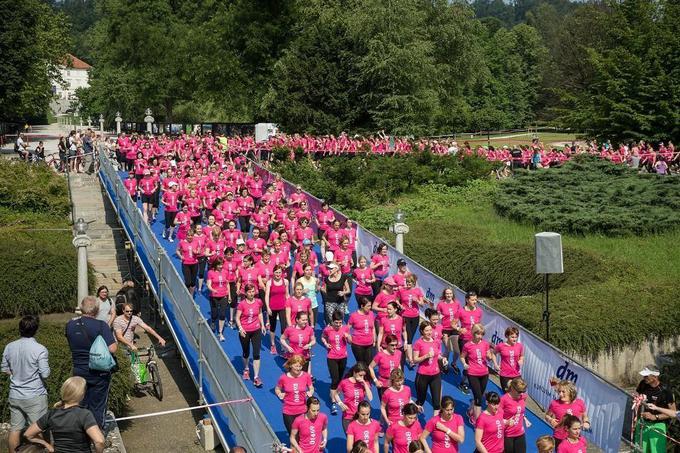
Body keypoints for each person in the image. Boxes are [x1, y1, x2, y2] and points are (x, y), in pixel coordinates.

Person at [65, 296, 117, 429]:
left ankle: (81, 432)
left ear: (81, 308)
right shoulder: (101, 325)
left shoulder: (70, 325)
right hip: (98, 372)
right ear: (97, 309)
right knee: (98, 405)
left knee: (81, 403)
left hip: (78, 370)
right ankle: (96, 435)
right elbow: (112, 348)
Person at [1, 315, 50, 453]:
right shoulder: (40, 349)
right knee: (38, 429)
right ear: (36, 329)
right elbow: (45, 374)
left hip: (15, 394)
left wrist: (17, 375)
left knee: (15, 429)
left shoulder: (9, 346)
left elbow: (5, 368)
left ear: (20, 329)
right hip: (34, 395)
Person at [24, 376, 106, 453]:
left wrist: (47, 445)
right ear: (81, 394)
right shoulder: (84, 414)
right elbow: (99, 441)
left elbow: (28, 434)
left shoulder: (52, 414)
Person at [633, 364, 676, 453]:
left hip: (658, 425)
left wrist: (654, 417)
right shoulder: (643, 384)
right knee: (639, 450)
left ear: (655, 376)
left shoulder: (665, 391)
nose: (644, 377)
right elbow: (637, 398)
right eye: (643, 375)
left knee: (656, 451)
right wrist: (636, 418)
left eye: (646, 376)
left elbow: (673, 412)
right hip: (642, 423)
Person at [461, 323, 495, 423]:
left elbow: (489, 356)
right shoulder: (467, 345)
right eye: (478, 334)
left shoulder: (485, 344)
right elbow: (462, 356)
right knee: (479, 400)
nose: (480, 336)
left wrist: (490, 356)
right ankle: (477, 421)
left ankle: (470, 410)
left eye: (481, 334)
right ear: (473, 333)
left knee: (480, 396)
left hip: (484, 373)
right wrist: (464, 364)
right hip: (473, 374)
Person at [235, 284, 266, 387]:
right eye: (249, 292)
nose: (252, 294)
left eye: (253, 291)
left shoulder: (258, 302)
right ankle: (247, 368)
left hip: (256, 330)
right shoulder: (242, 304)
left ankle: (256, 377)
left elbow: (260, 313)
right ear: (246, 293)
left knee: (256, 353)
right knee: (246, 352)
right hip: (245, 331)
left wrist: (262, 325)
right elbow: (237, 318)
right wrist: (240, 328)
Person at [275, 354, 314, 435]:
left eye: (300, 366)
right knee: (293, 436)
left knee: (303, 434)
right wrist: (279, 394)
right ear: (291, 365)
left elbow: (311, 388)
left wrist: (310, 392)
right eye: (296, 366)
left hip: (302, 411)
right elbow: (277, 389)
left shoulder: (306, 376)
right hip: (289, 412)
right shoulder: (283, 378)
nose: (298, 368)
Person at [545, 380, 590, 449]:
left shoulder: (579, 403)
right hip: (559, 438)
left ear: (571, 392)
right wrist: (550, 419)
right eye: (559, 391)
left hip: (575, 437)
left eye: (563, 392)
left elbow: (585, 416)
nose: (560, 394)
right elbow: (547, 415)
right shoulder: (554, 403)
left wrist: (586, 422)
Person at [413, 321, 445, 416]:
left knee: (436, 404)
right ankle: (413, 420)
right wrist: (426, 356)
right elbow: (415, 360)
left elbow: (438, 354)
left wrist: (443, 359)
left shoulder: (436, 341)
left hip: (435, 375)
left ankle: (434, 426)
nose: (429, 332)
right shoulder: (418, 343)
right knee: (420, 401)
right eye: (426, 330)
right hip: (422, 375)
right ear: (422, 331)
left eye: (430, 330)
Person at [321, 310, 350, 415]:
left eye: (340, 322)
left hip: (343, 357)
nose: (338, 325)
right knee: (335, 379)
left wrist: (348, 337)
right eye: (336, 323)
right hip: (332, 357)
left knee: (339, 379)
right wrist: (326, 343)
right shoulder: (328, 330)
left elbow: (350, 342)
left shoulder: (345, 328)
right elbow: (323, 337)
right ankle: (334, 402)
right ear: (332, 321)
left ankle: (334, 393)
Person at [337, 362, 373, 433]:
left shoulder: (365, 383)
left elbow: (370, 398)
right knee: (351, 441)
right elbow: (335, 394)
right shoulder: (344, 382)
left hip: (361, 417)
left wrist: (364, 383)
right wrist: (340, 403)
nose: (362, 377)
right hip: (348, 417)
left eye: (363, 376)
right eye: (360, 375)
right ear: (354, 372)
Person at [369, 333, 403, 400]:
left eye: (396, 345)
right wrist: (375, 381)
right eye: (392, 345)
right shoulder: (380, 355)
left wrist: (400, 378)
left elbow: (398, 365)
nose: (394, 347)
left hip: (395, 383)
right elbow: (370, 367)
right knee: (385, 406)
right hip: (383, 384)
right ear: (387, 345)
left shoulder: (399, 353)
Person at [501, 378, 530, 453]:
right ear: (513, 388)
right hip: (507, 434)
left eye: (523, 391)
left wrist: (524, 418)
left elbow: (520, 410)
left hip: (520, 433)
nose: (521, 393)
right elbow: (496, 417)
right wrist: (506, 421)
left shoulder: (523, 396)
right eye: (519, 391)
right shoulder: (504, 399)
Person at [494, 326, 524, 392]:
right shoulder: (501, 346)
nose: (514, 339)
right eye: (512, 337)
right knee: (508, 394)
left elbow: (522, 356)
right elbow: (493, 353)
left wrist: (521, 360)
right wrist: (495, 364)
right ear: (507, 336)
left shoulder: (519, 346)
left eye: (516, 337)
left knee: (519, 393)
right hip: (505, 375)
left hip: (516, 374)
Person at [348, 297, 376, 367]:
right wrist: (348, 337)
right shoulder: (354, 316)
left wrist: (374, 339)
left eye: (370, 305)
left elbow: (373, 327)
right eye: (368, 306)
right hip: (358, 345)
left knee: (369, 364)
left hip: (369, 343)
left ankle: (368, 377)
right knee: (361, 365)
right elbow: (347, 328)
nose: (370, 307)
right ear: (362, 306)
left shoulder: (371, 314)